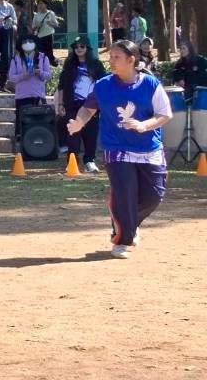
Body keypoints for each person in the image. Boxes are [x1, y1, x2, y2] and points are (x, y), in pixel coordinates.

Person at [66, 39, 172, 258]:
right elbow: (88, 109)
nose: (111, 61)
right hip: (117, 148)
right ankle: (122, 239)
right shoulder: (103, 85)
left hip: (149, 148)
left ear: (131, 60)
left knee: (154, 196)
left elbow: (164, 114)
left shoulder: (150, 84)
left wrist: (143, 125)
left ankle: (129, 222)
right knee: (124, 194)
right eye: (110, 57)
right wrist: (79, 123)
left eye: (117, 57)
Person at [57, 37, 104, 173]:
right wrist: (60, 104)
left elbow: (103, 84)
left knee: (91, 134)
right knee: (73, 135)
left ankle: (89, 161)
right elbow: (61, 86)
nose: (79, 49)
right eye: (76, 46)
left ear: (87, 48)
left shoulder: (96, 64)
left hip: (91, 105)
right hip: (72, 105)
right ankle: (72, 162)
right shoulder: (69, 64)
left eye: (82, 46)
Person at [7, 37, 51, 141]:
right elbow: (11, 77)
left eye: (30, 42)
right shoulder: (16, 59)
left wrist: (40, 72)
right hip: (22, 96)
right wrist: (22, 76)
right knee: (23, 123)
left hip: (38, 95)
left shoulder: (43, 57)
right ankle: (21, 145)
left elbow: (49, 75)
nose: (27, 44)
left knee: (39, 123)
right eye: (25, 42)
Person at [30, 0, 60, 66]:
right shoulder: (36, 15)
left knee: (49, 53)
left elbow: (56, 25)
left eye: (41, 3)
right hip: (39, 37)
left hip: (49, 36)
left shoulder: (51, 13)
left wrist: (50, 23)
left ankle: (51, 65)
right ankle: (40, 66)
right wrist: (37, 26)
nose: (40, 5)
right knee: (40, 53)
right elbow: (33, 28)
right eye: (38, 4)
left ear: (46, 4)